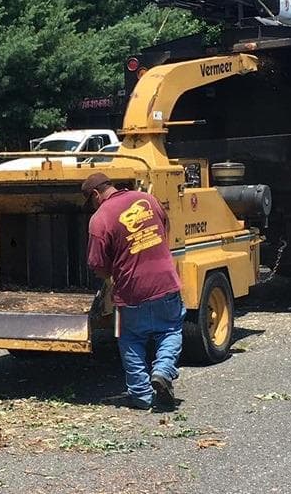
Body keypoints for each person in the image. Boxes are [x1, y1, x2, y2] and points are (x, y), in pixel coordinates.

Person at [82, 172, 184, 410]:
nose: (92, 206)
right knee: (170, 330)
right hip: (165, 282)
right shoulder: (147, 199)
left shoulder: (100, 218)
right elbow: (165, 225)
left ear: (96, 194)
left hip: (131, 291)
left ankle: (140, 396)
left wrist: (108, 274)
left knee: (131, 340)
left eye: (91, 201)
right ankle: (162, 370)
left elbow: (97, 264)